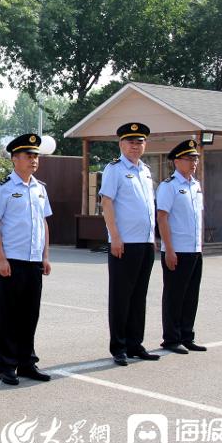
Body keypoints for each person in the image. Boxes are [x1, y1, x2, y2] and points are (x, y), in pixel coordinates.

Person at [0, 134, 52, 386]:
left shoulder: (40, 188)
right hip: (10, 261)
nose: (34, 160)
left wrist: (45, 256)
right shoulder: (3, 187)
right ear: (15, 158)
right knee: (8, 315)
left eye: (36, 156)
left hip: (34, 260)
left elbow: (44, 223)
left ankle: (26, 362)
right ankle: (7, 365)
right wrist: (0, 258)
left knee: (29, 314)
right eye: (28, 155)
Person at [99, 122, 160, 366]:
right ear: (121, 144)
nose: (136, 146)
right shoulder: (114, 169)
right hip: (123, 243)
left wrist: (152, 238)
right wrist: (114, 236)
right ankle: (119, 347)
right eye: (131, 141)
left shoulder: (145, 171)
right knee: (121, 297)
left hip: (144, 243)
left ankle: (136, 343)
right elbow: (107, 203)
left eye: (140, 141)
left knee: (139, 296)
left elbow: (148, 207)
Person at [156, 140, 207, 354]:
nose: (194, 162)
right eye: (189, 158)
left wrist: (200, 244)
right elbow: (162, 218)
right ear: (177, 161)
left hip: (195, 249)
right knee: (174, 295)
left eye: (195, 158)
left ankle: (187, 335)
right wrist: (169, 249)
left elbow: (198, 217)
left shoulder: (195, 185)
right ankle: (171, 338)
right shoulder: (169, 186)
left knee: (191, 295)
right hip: (177, 250)